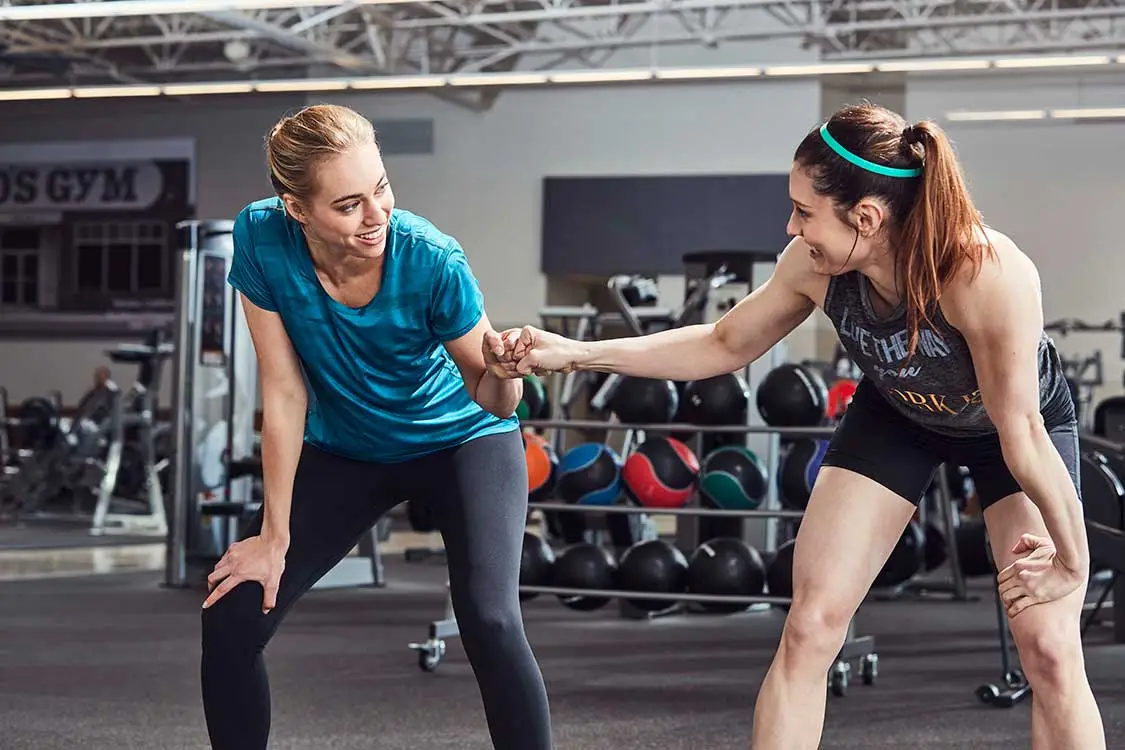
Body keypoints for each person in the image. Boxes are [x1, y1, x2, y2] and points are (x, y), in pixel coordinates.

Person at [495, 102, 1105, 750]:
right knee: (809, 624)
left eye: (804, 211)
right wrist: (574, 351)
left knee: (1047, 647)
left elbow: (1021, 432)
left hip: (1007, 431)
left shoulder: (981, 272)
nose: (791, 226)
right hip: (896, 416)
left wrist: (1072, 561)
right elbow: (724, 343)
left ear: (865, 218)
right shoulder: (811, 266)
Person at [198, 103, 553, 750]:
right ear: (296, 208)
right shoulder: (261, 237)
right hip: (349, 450)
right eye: (349, 204)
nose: (376, 216)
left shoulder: (430, 259)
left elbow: (498, 403)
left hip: (462, 439)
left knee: (490, 620)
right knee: (232, 614)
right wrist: (271, 539)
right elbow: (282, 391)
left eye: (382, 188)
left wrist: (508, 372)